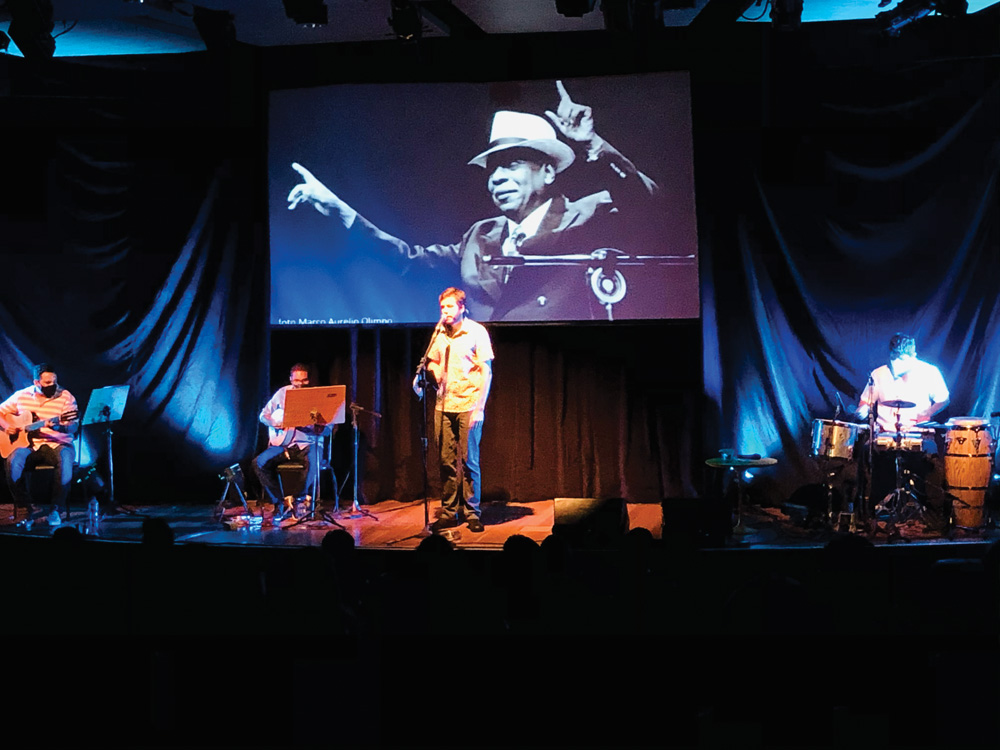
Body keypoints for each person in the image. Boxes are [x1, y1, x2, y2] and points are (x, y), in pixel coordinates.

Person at [287, 80, 661, 322]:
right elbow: (406, 260)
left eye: (512, 164)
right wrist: (342, 210)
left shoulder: (589, 214)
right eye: (492, 169)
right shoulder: (480, 237)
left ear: (548, 172)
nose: (497, 177)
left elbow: (648, 202)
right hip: (484, 376)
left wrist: (592, 143)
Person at [416, 288, 494, 533]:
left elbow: (486, 371)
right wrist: (435, 369)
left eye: (449, 307)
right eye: (442, 308)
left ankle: (472, 512)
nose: (445, 312)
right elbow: (432, 360)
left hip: (469, 405)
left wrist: (480, 407)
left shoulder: (476, 332)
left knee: (469, 462)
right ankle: (450, 512)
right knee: (446, 462)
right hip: (443, 405)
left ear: (462, 307)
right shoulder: (439, 333)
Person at [855, 334, 950, 528]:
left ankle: (921, 507)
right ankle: (874, 509)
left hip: (917, 432)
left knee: (925, 459)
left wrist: (928, 412)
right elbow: (866, 400)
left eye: (903, 359)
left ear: (913, 355)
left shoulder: (929, 372)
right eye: (895, 359)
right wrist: (863, 409)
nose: (898, 363)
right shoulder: (879, 374)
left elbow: (943, 398)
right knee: (867, 450)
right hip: (886, 432)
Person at [0, 363, 79, 525]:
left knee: (65, 459)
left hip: (58, 444)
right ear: (37, 383)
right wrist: (8, 427)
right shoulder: (22, 395)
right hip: (30, 445)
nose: (53, 385)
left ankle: (56, 510)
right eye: (47, 383)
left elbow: (73, 427)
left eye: (54, 381)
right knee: (13, 461)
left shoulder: (66, 397)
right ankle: (24, 507)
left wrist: (61, 426)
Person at [253, 363, 328, 521]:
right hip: (284, 445)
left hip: (308, 444)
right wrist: (274, 423)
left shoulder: (318, 397)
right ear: (290, 379)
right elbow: (263, 416)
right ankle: (280, 503)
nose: (300, 384)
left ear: (309, 380)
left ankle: (300, 499)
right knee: (259, 462)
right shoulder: (282, 393)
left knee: (315, 461)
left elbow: (328, 429)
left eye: (304, 381)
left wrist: (316, 428)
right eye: (296, 381)